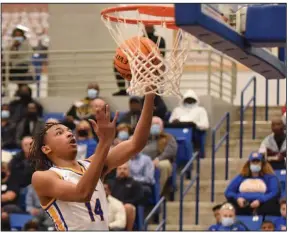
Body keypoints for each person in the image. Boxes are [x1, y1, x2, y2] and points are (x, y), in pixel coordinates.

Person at [28, 92, 155, 230]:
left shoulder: (92, 164)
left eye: (69, 131)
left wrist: (149, 97)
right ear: (46, 149)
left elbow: (136, 144)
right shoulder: (43, 177)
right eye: (59, 132)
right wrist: (104, 142)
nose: (69, 133)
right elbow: (82, 193)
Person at [112, 26, 166, 96]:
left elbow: (161, 54)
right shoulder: (139, 40)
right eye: (146, 25)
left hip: (154, 64)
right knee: (120, 64)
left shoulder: (159, 39)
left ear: (153, 28)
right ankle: (124, 89)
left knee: (155, 67)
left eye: (149, 25)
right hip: (141, 64)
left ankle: (157, 90)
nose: (147, 26)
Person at [142, 116, 177, 194]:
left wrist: (158, 159)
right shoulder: (144, 138)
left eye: (157, 124)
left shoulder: (168, 137)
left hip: (160, 161)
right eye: (153, 124)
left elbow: (171, 151)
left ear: (162, 127)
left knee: (165, 165)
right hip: (145, 161)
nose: (155, 126)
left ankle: (157, 194)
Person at [109, 163, 144, 231]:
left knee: (128, 207)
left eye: (125, 169)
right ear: (116, 171)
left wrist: (123, 204)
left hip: (126, 207)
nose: (122, 171)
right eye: (120, 169)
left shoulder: (135, 183)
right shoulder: (111, 183)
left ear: (129, 171)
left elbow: (139, 198)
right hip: (113, 207)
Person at [1, 162, 23, 231]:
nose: (1, 171)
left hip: (11, 209)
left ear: (8, 172)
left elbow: (9, 197)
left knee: (6, 211)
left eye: (3, 169)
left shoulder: (13, 182)